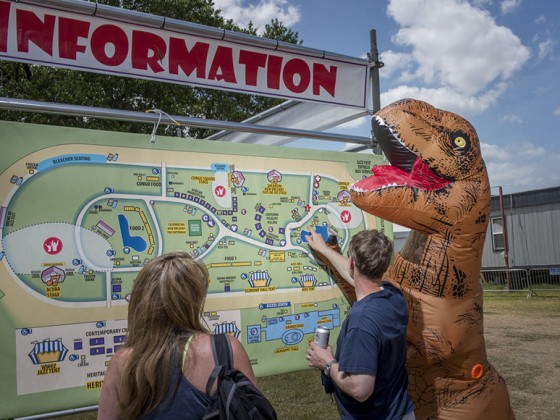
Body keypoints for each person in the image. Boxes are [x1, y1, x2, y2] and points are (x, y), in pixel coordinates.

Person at [98, 251, 258, 419]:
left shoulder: (121, 362)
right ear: (192, 301)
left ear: (141, 300)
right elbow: (254, 411)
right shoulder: (225, 350)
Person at [305, 228, 415, 420]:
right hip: (401, 412)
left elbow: (360, 389)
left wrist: (327, 363)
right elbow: (357, 278)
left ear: (352, 263)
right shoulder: (393, 296)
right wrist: (324, 249)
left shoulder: (362, 321)